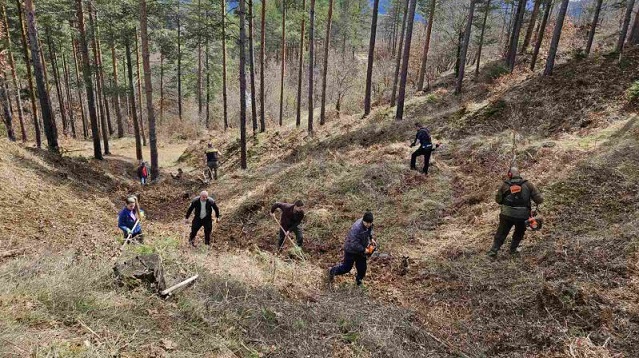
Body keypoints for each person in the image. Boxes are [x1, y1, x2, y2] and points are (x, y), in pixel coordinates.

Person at [488, 167, 544, 258]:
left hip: (506, 214)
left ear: (509, 175)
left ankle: (493, 250)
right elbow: (539, 200)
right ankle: (513, 250)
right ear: (519, 174)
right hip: (522, 216)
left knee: (502, 232)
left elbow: (498, 200)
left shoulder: (504, 185)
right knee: (519, 232)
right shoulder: (528, 184)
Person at [327, 212, 376, 287]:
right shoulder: (356, 228)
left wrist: (371, 238)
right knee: (346, 268)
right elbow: (353, 243)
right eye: (366, 223)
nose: (368, 225)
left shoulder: (369, 224)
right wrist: (364, 250)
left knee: (362, 268)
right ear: (363, 220)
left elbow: (370, 230)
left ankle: (358, 281)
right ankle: (331, 271)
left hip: (361, 250)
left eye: (369, 223)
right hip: (351, 250)